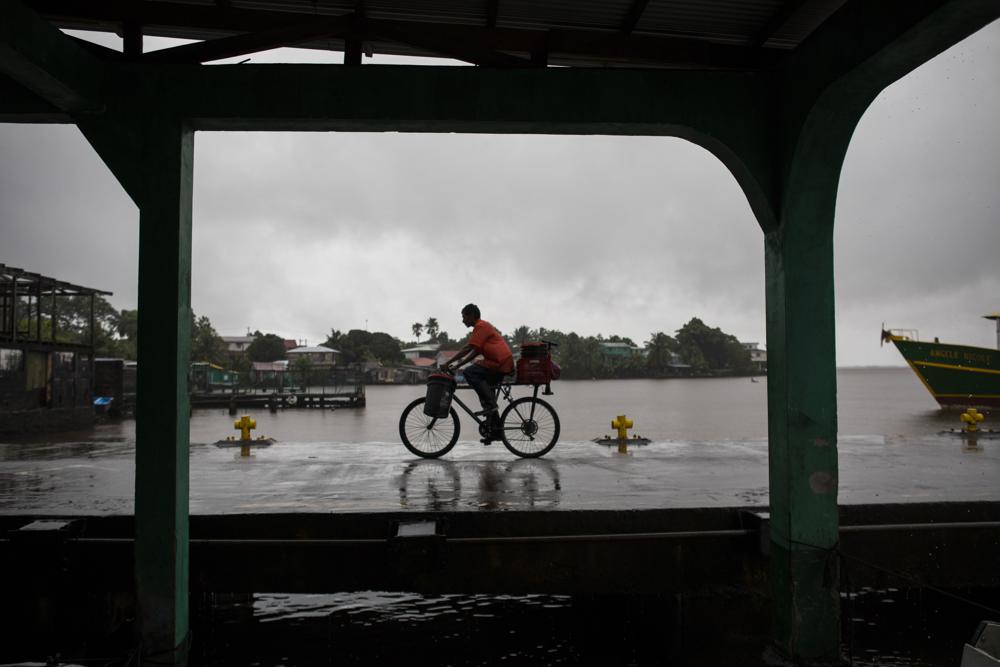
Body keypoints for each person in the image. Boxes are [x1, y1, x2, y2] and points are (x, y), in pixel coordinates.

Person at [441, 304, 514, 443]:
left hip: (500, 363)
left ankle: (491, 405)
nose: (463, 320)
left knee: (470, 373)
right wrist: (457, 365)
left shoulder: (481, 326)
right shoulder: (481, 328)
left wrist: (448, 363)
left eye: (464, 317)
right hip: (498, 363)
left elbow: (468, 348)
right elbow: (474, 351)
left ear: (472, 315)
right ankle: (496, 432)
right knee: (487, 397)